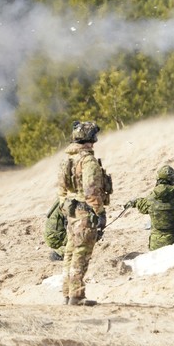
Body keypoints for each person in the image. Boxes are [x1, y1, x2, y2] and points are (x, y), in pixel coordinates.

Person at [58, 120, 109, 306]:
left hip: (72, 211)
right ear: (90, 139)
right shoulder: (88, 162)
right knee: (81, 253)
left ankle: (67, 293)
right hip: (85, 213)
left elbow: (62, 191)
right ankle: (77, 296)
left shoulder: (68, 160)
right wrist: (99, 212)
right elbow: (91, 191)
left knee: (70, 252)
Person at [125, 165, 174, 251]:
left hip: (156, 245)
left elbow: (140, 204)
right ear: (173, 179)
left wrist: (133, 202)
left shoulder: (149, 199)